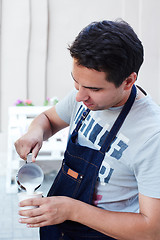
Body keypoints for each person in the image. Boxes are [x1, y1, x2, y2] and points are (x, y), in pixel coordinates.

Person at [15, 19, 160, 240]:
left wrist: (72, 210)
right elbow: (48, 119)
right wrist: (35, 132)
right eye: (76, 82)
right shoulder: (85, 97)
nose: (79, 96)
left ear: (128, 81)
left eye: (93, 88)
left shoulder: (152, 136)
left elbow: (152, 230)